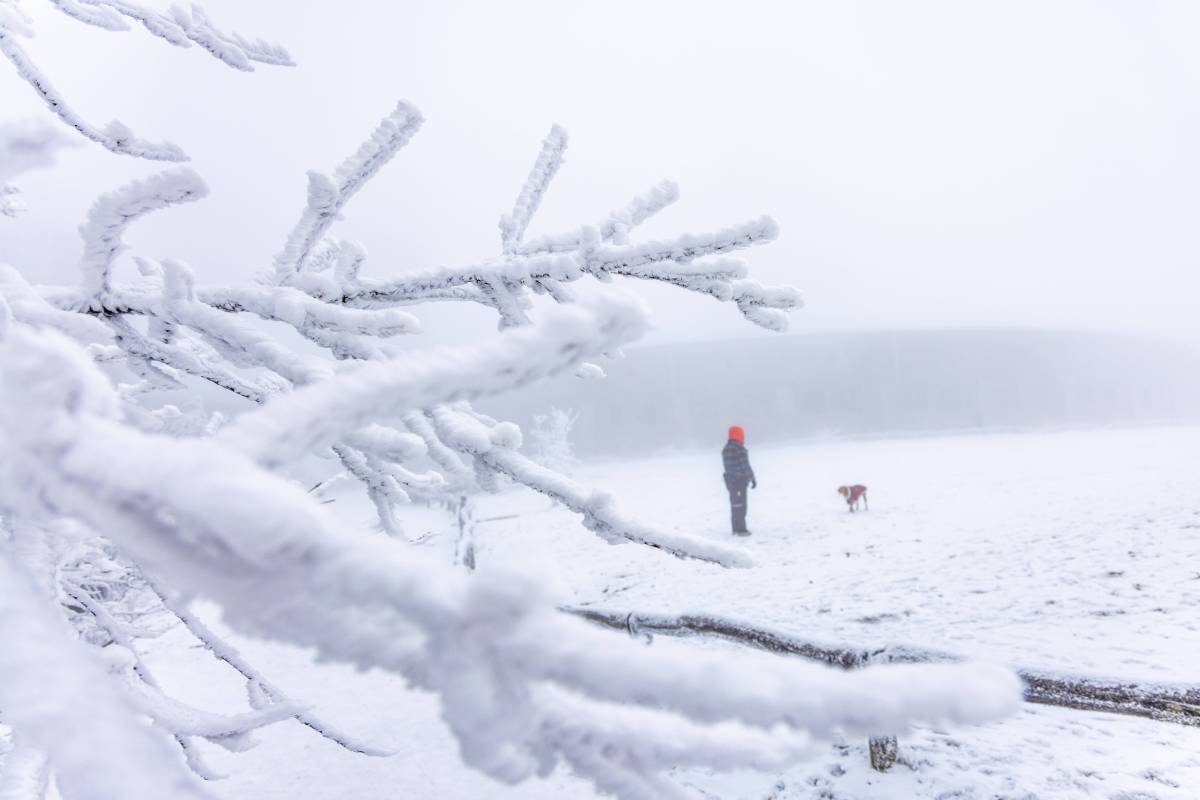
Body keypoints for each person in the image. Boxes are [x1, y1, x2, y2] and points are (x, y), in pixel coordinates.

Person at [722, 425, 757, 536]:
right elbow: (745, 465)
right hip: (739, 482)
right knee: (741, 506)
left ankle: (735, 528)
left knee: (735, 505)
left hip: (730, 482)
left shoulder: (726, 449)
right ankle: (740, 530)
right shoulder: (739, 449)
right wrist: (752, 478)